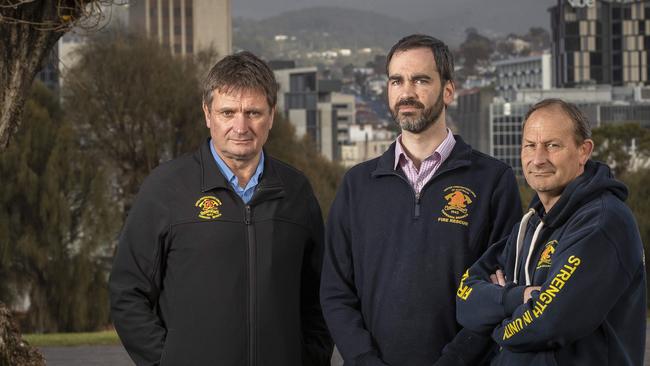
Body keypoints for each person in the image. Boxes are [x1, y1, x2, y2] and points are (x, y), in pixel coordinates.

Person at [109, 51, 333, 366]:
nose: (240, 127)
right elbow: (127, 291)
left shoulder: (296, 192)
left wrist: (310, 358)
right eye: (228, 112)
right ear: (207, 114)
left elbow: (320, 295)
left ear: (271, 115)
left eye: (252, 112)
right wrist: (167, 360)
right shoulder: (166, 189)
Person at [320, 34, 522, 366]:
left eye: (420, 80)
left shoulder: (493, 181)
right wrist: (364, 360)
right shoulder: (357, 185)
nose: (407, 92)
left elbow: (501, 294)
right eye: (396, 80)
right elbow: (335, 292)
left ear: (448, 91)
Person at [456, 99, 646, 365]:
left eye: (553, 145)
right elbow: (465, 299)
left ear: (583, 151)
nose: (538, 159)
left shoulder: (603, 222)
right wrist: (518, 297)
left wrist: (498, 327)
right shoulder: (529, 227)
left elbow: (549, 321)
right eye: (530, 146)